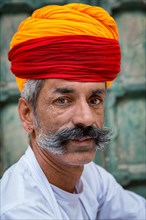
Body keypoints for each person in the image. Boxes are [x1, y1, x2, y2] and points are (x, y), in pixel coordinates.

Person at [1, 3, 145, 220]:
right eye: (63, 100)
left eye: (94, 99)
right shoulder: (20, 210)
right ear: (28, 114)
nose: (86, 118)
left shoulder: (89, 176)